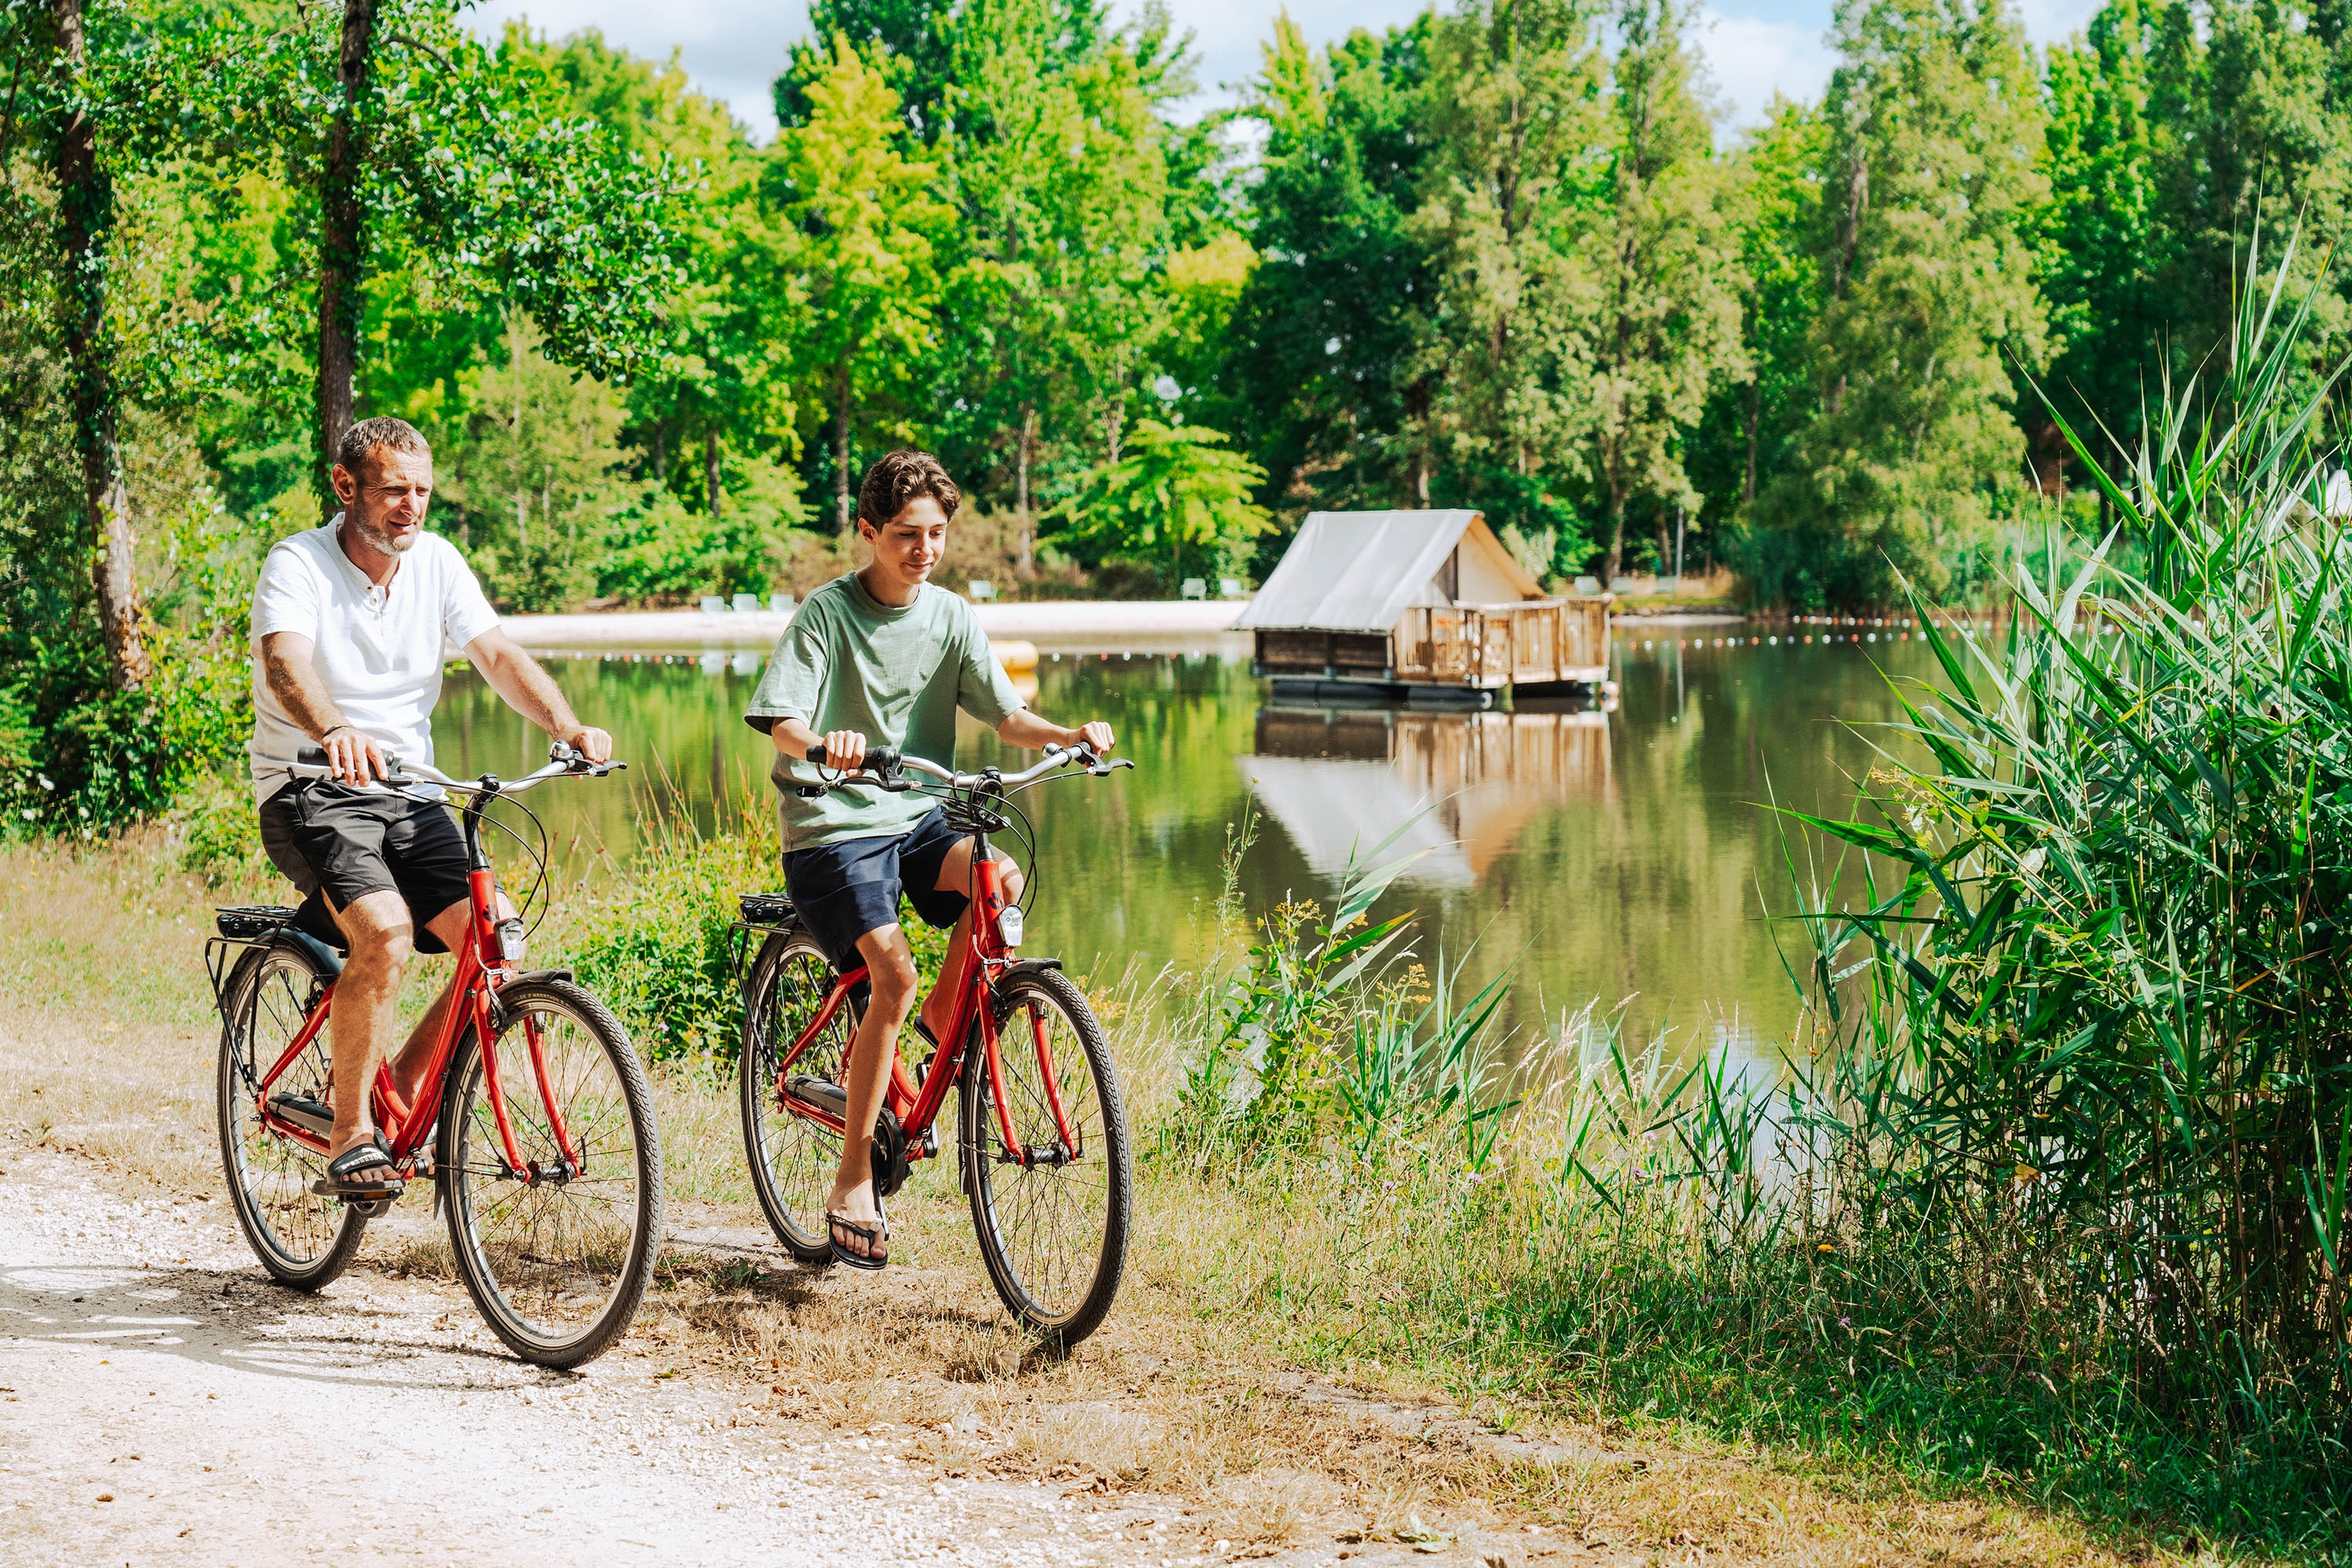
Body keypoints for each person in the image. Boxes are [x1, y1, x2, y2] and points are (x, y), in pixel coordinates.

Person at [743, 449, 1114, 1269]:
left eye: (937, 533)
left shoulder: (949, 615)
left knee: (1001, 879)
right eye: (907, 533)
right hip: (833, 825)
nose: (925, 548)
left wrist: (1067, 736)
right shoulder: (825, 615)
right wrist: (827, 746)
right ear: (869, 531)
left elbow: (1008, 716)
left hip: (916, 814)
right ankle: (850, 1182)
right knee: (893, 975)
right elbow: (783, 725)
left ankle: (951, 1016)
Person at [249, 416, 614, 1200]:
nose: (410, 506)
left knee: (497, 941)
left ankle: (406, 1089)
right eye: (391, 491)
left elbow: (498, 655)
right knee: (383, 930)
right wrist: (336, 728)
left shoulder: (438, 563)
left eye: (421, 491)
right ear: (346, 487)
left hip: (409, 791)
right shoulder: (298, 564)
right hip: (310, 784)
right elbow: (287, 662)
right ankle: (349, 1134)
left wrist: (569, 725)